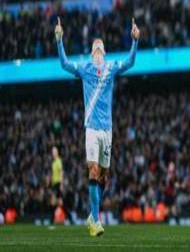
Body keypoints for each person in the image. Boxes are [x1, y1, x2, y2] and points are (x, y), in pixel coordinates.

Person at [54, 16, 140, 236]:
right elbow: (64, 64)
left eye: (101, 46)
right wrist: (59, 40)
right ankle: (95, 220)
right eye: (95, 46)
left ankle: (92, 216)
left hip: (107, 130)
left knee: (103, 177)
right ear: (92, 53)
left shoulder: (111, 67)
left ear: (104, 52)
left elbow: (130, 62)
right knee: (93, 170)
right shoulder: (85, 68)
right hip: (92, 128)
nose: (98, 47)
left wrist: (135, 41)